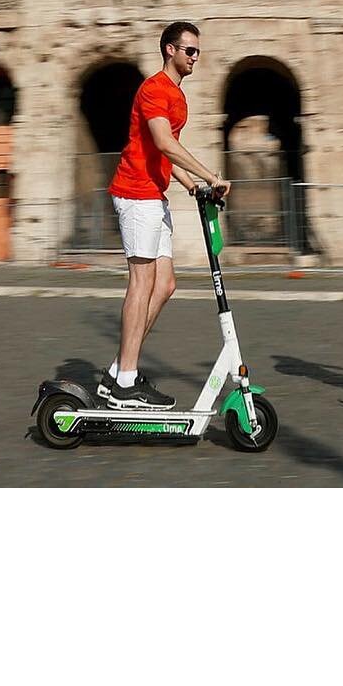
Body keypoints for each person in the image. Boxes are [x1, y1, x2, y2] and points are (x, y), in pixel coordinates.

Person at [97, 21, 230, 409]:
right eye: (189, 51)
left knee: (166, 284)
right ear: (170, 50)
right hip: (136, 194)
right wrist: (210, 175)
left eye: (198, 52)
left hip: (155, 195)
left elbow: (165, 153)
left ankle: (120, 370)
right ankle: (125, 382)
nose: (195, 58)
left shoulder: (178, 97)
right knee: (141, 282)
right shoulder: (155, 88)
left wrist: (191, 185)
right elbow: (161, 142)